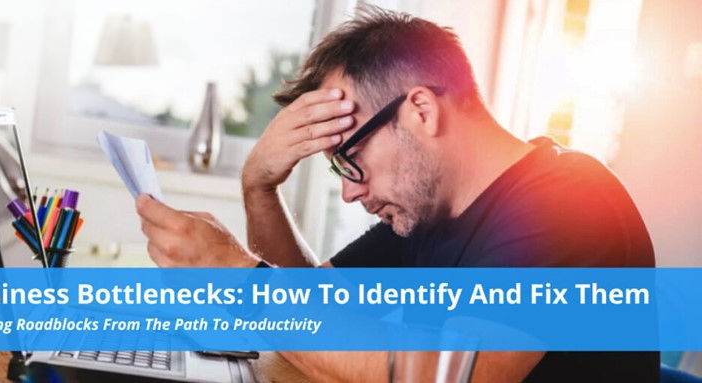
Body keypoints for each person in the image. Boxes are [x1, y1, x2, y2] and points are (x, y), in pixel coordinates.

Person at [136, 6, 658, 382]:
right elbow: (308, 309)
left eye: (350, 159)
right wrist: (259, 189)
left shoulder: (567, 202)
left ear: (422, 110)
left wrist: (240, 278)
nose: (347, 192)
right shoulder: (430, 212)